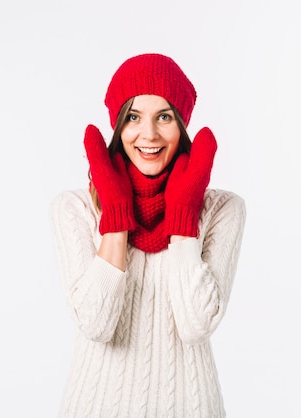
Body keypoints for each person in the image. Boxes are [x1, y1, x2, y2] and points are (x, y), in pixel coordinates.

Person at [49, 53, 246, 418]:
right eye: (134, 117)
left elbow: (195, 325)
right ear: (118, 125)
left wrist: (185, 213)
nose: (149, 134)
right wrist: (116, 215)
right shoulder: (75, 208)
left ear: (182, 126)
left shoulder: (222, 210)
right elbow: (96, 324)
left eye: (165, 117)